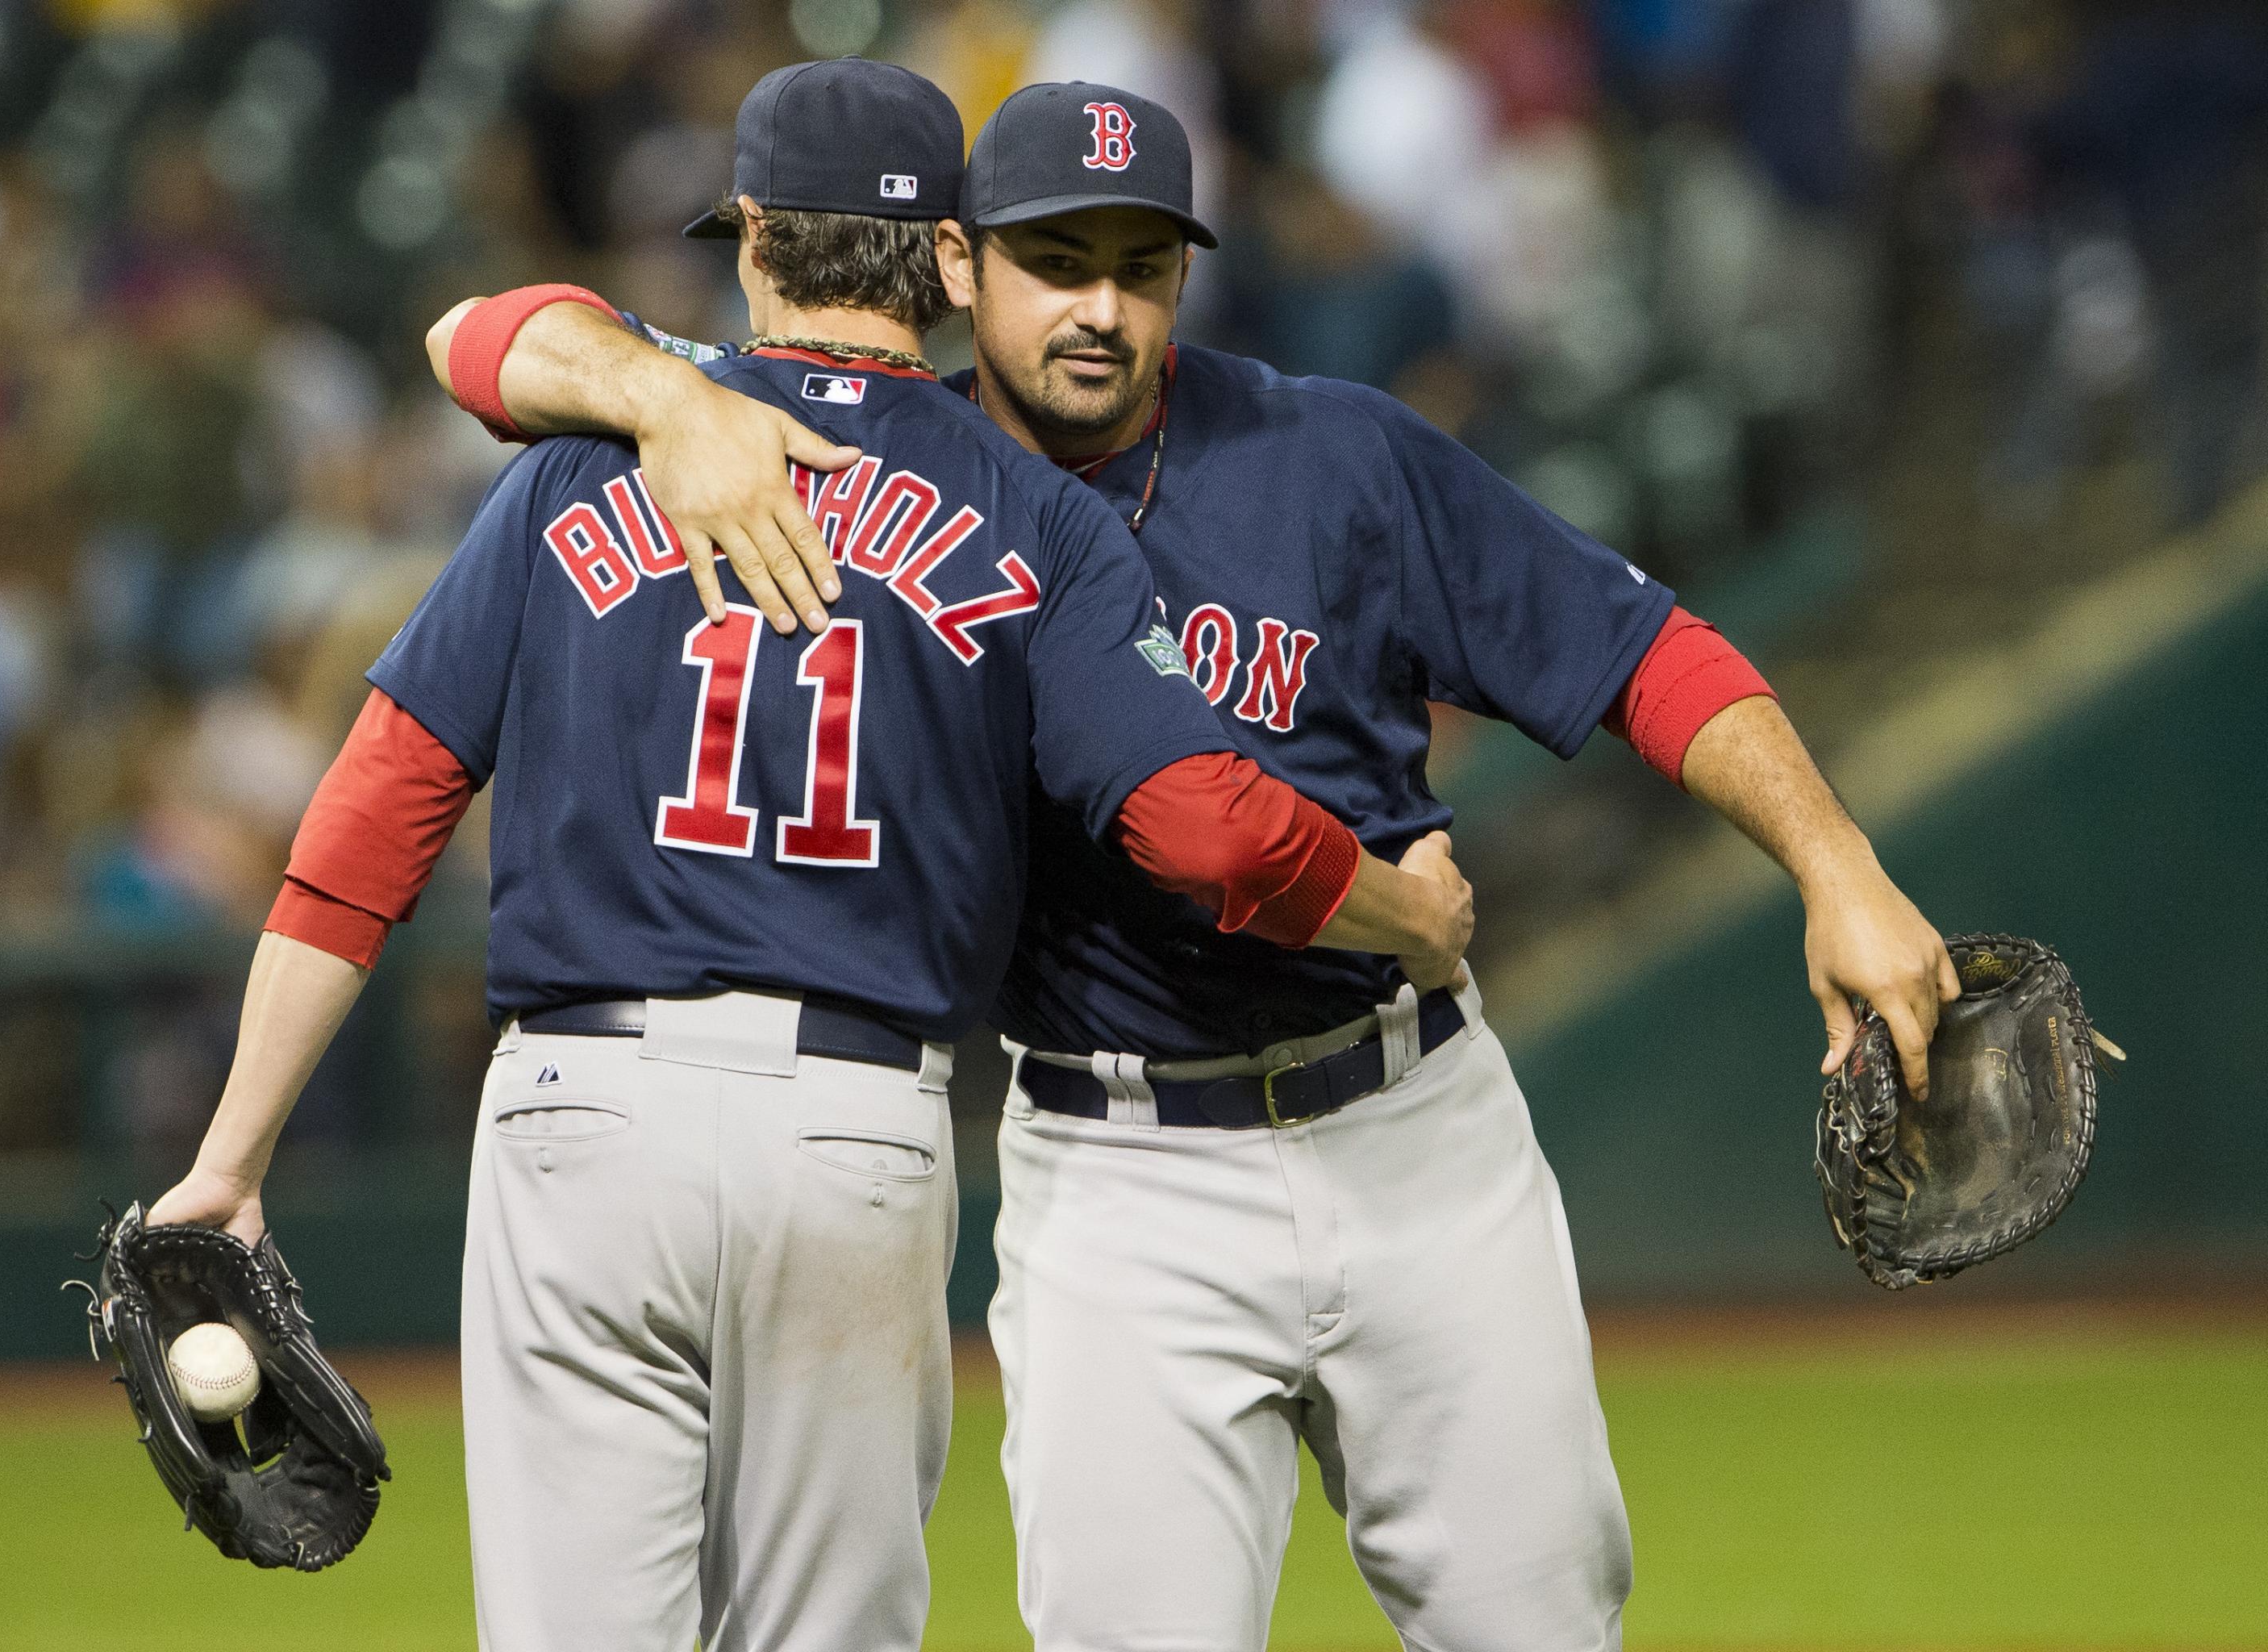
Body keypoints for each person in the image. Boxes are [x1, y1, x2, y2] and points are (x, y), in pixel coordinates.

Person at [428, 78, 1959, 1651]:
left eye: (1141, 266)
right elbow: (484, 337)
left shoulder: (1334, 456)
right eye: (1055, 262)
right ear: (956, 266)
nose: (1100, 308)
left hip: (1414, 1124)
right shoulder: (860, 465)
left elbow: (1639, 649)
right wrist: (671, 398)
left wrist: (1835, 866)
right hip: (1117, 1170)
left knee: (1547, 1621)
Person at [146, 60, 1473, 1652]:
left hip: (583, 1115)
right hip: (855, 1129)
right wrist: (1407, 913)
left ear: (755, 236)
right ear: (956, 259)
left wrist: (232, 1154)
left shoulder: (579, 457)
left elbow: (376, 814)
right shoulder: (1036, 510)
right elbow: (1203, 825)